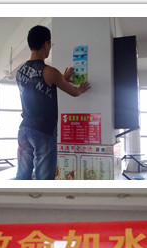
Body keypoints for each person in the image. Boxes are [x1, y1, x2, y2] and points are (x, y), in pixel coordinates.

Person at [15, 25, 91, 180]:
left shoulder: (20, 71)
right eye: (50, 44)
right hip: (43, 131)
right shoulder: (50, 72)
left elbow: (37, 87)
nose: (50, 47)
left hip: (24, 129)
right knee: (44, 179)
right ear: (46, 44)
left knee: (22, 177)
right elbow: (74, 92)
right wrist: (81, 89)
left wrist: (62, 78)